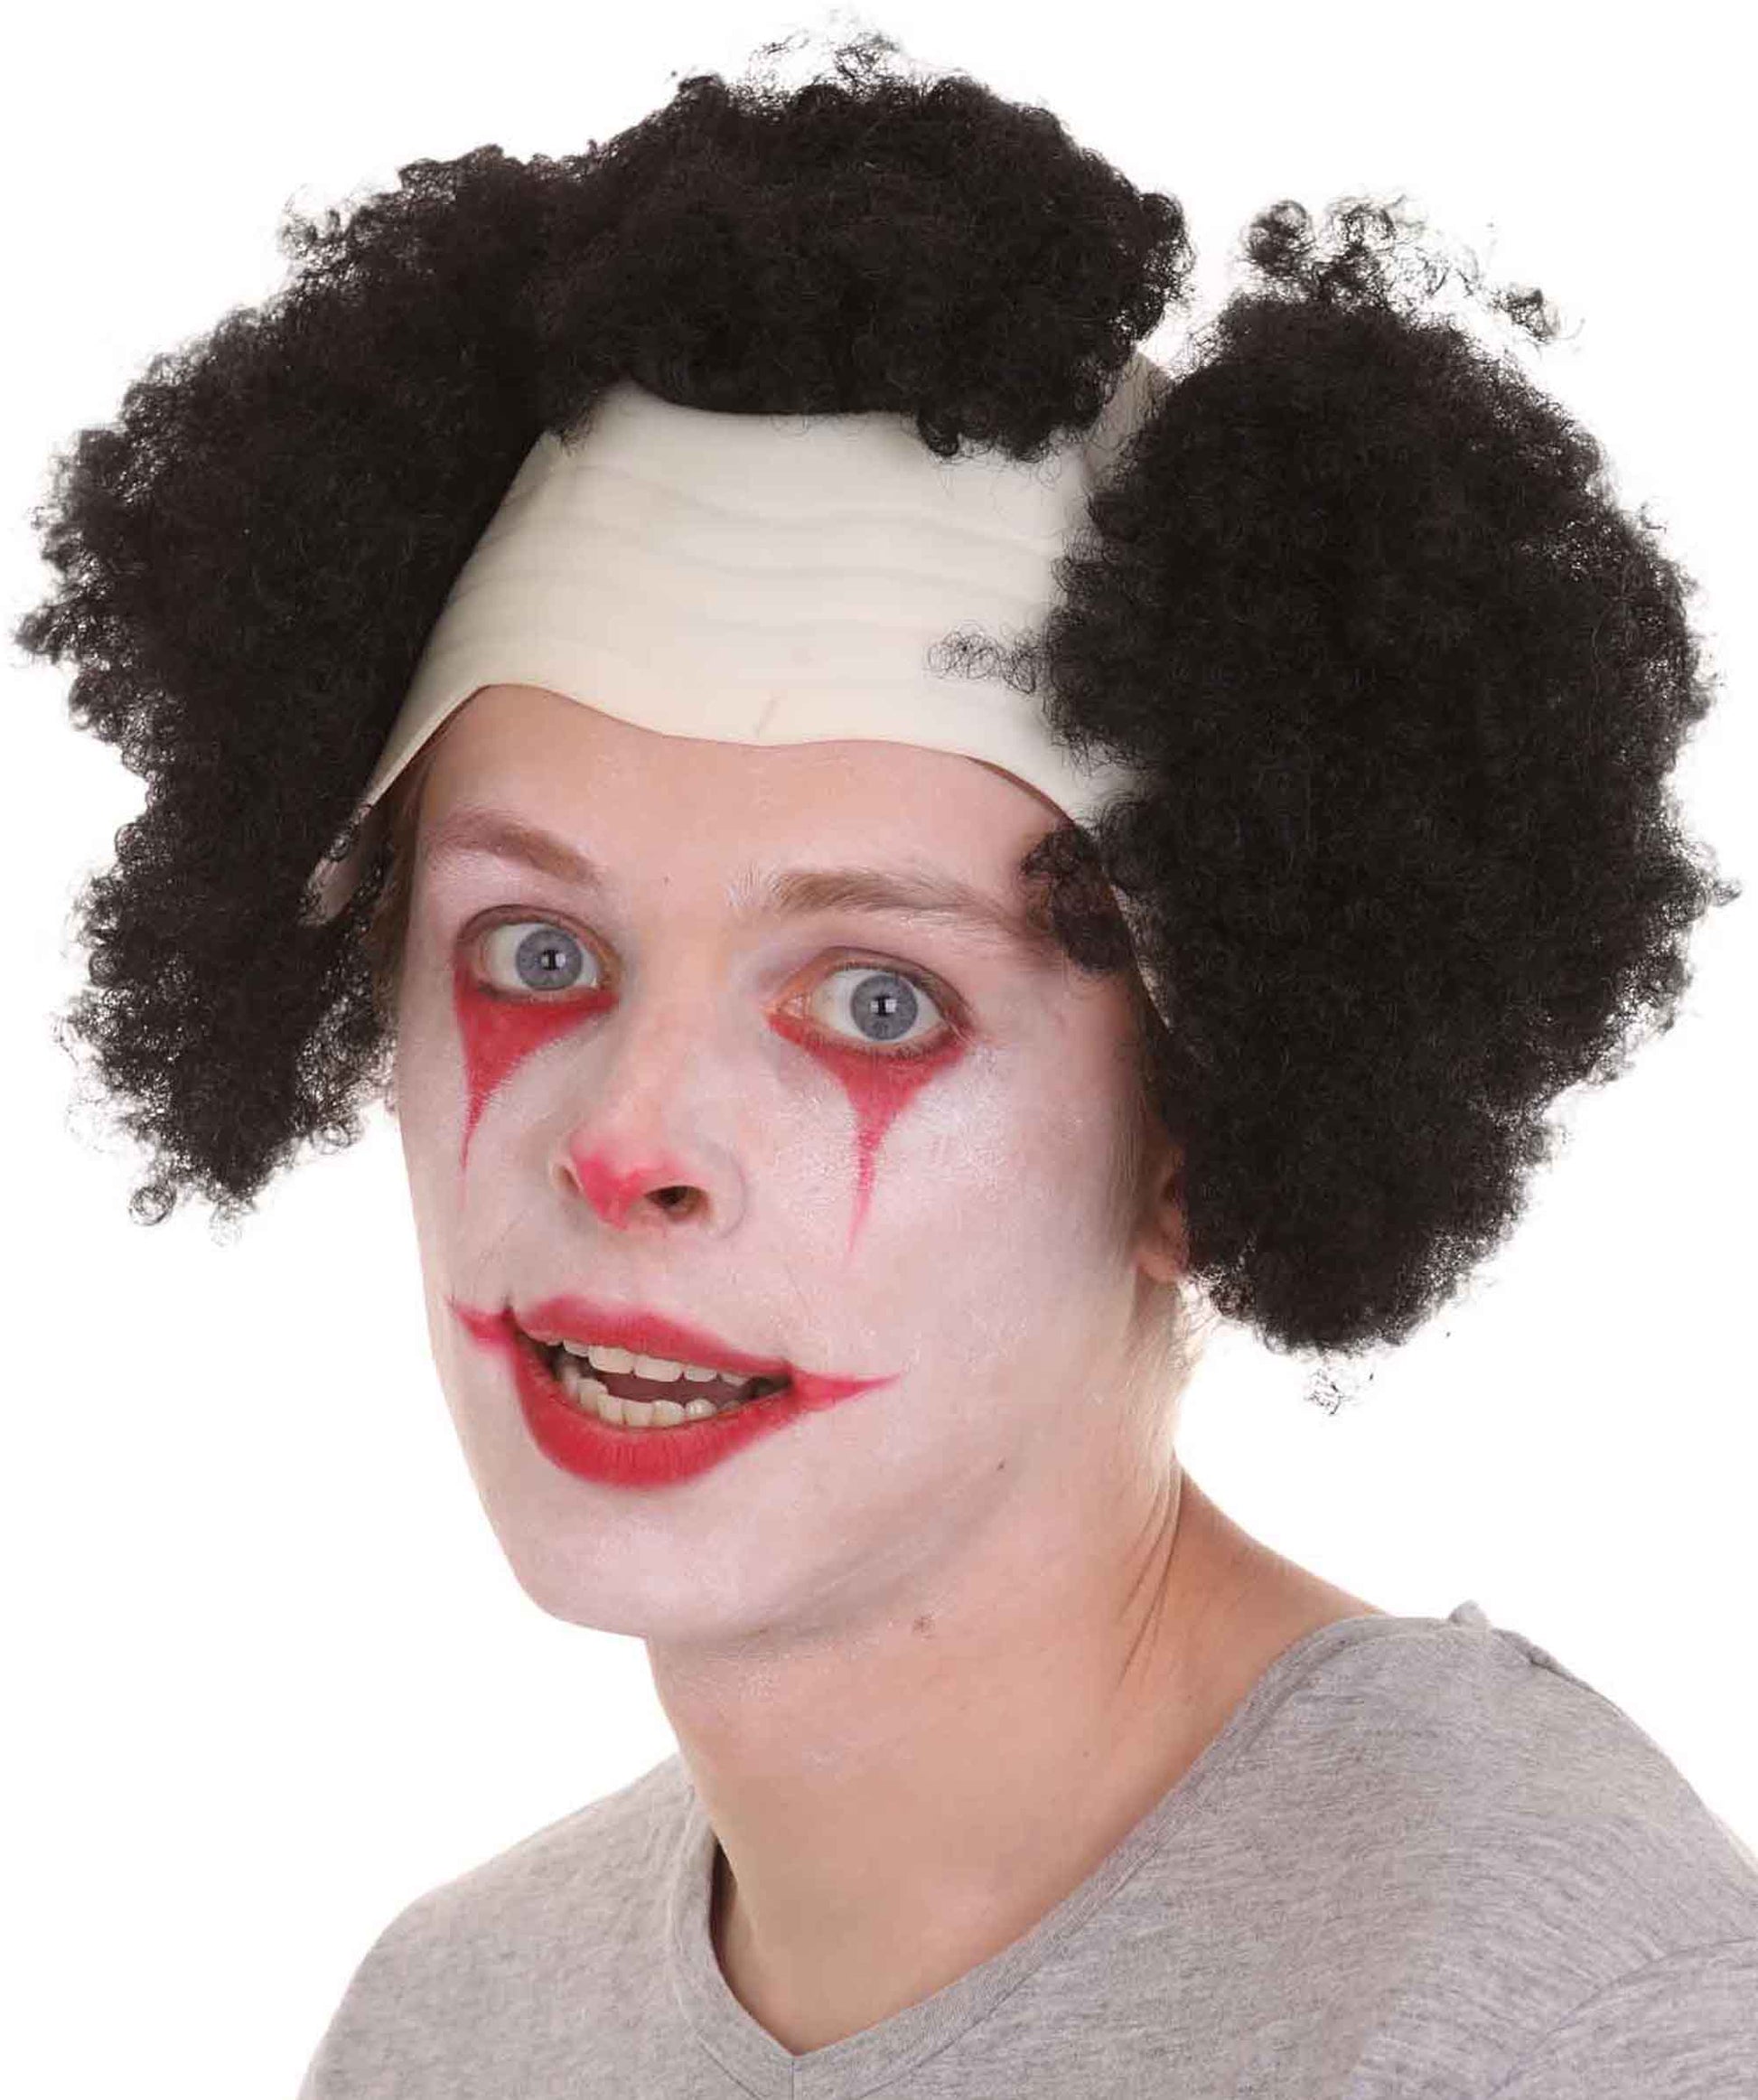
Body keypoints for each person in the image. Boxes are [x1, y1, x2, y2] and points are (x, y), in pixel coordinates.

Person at [17, 29, 1755, 2097]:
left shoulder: (1558, 2019)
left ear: (1196, 1133)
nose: (628, 1141)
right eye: (538, 951)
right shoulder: (453, 2021)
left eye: (875, 999)